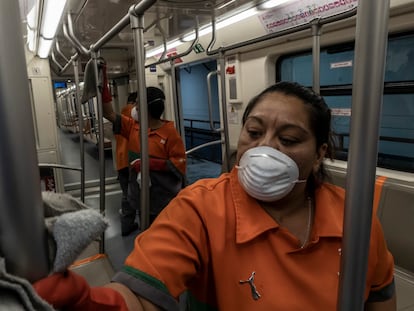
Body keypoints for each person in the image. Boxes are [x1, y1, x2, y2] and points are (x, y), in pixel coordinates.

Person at [33, 81, 396, 310]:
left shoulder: (353, 215)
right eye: (253, 133)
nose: (264, 149)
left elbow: (380, 294)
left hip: (159, 183)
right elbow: (142, 295)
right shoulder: (201, 207)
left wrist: (158, 166)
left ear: (320, 154)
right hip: (138, 181)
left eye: (288, 140)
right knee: (132, 209)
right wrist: (97, 302)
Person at [101, 71, 186, 236]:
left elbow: (179, 164)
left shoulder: (170, 134)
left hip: (163, 199)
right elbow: (108, 113)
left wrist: (149, 164)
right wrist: (103, 80)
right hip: (141, 196)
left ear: (146, 109)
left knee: (163, 235)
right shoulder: (133, 127)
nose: (135, 108)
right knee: (146, 232)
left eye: (138, 105)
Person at [114, 92, 136, 221]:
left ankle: (127, 223)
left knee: (126, 193)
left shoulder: (118, 118)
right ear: (133, 103)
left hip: (121, 160)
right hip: (133, 160)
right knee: (136, 191)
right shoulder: (137, 118)